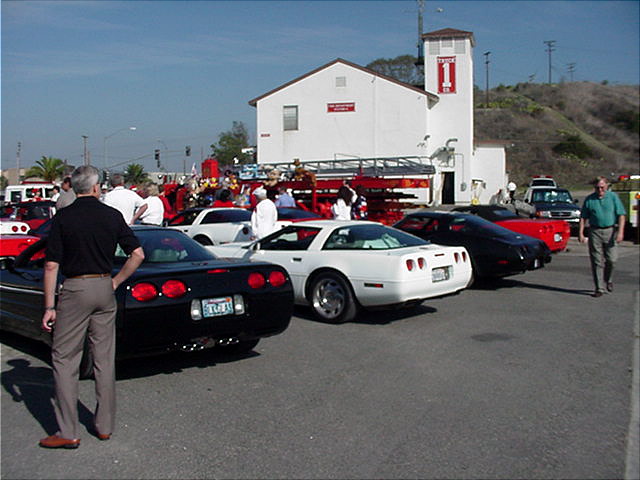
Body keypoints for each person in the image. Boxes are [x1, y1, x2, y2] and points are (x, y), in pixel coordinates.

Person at [39, 165, 144, 449]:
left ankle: (68, 430)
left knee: (64, 358)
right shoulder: (112, 216)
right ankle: (105, 425)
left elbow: (51, 265)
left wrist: (49, 306)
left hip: (76, 287)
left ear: (74, 187)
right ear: (97, 187)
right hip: (104, 285)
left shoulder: (64, 217)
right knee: (104, 358)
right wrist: (116, 281)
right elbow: (137, 254)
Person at [579, 176, 626, 297]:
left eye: (602, 187)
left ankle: (608, 279)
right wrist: (581, 233)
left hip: (610, 231)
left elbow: (621, 215)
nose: (600, 190)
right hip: (595, 231)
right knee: (597, 261)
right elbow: (583, 217)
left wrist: (620, 232)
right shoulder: (590, 199)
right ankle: (599, 288)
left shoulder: (613, 197)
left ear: (607, 186)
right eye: (597, 188)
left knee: (612, 259)